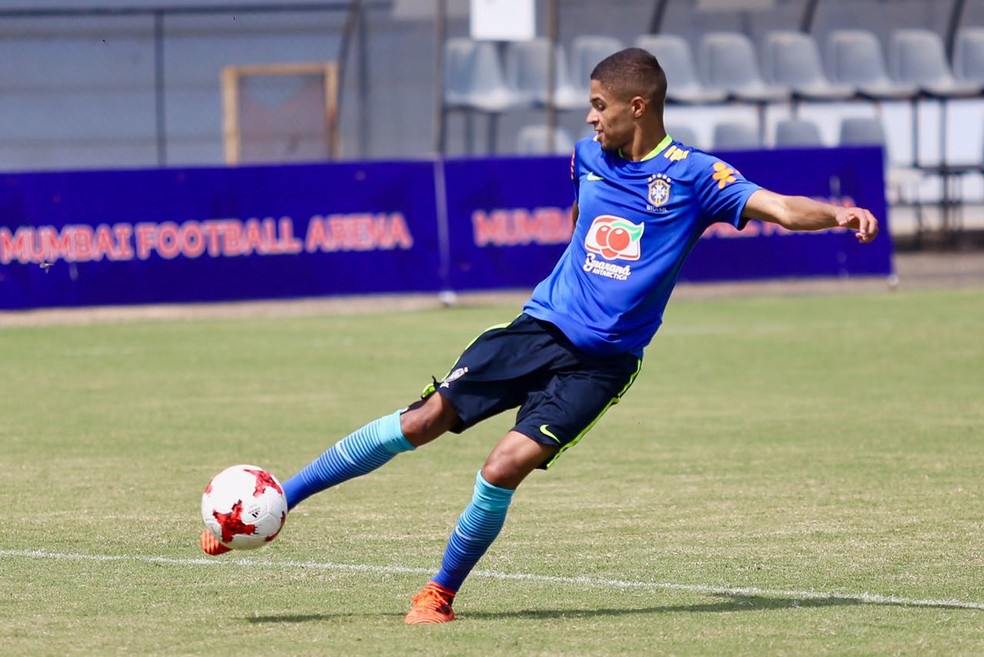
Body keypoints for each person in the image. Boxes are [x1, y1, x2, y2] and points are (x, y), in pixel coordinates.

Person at [200, 47, 878, 624]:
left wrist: (838, 213)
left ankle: (439, 592)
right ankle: (281, 496)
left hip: (601, 365)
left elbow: (783, 208)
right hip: (538, 328)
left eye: (599, 104)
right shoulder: (588, 155)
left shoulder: (698, 177)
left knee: (502, 467)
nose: (590, 117)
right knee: (424, 419)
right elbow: (585, 216)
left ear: (636, 106)